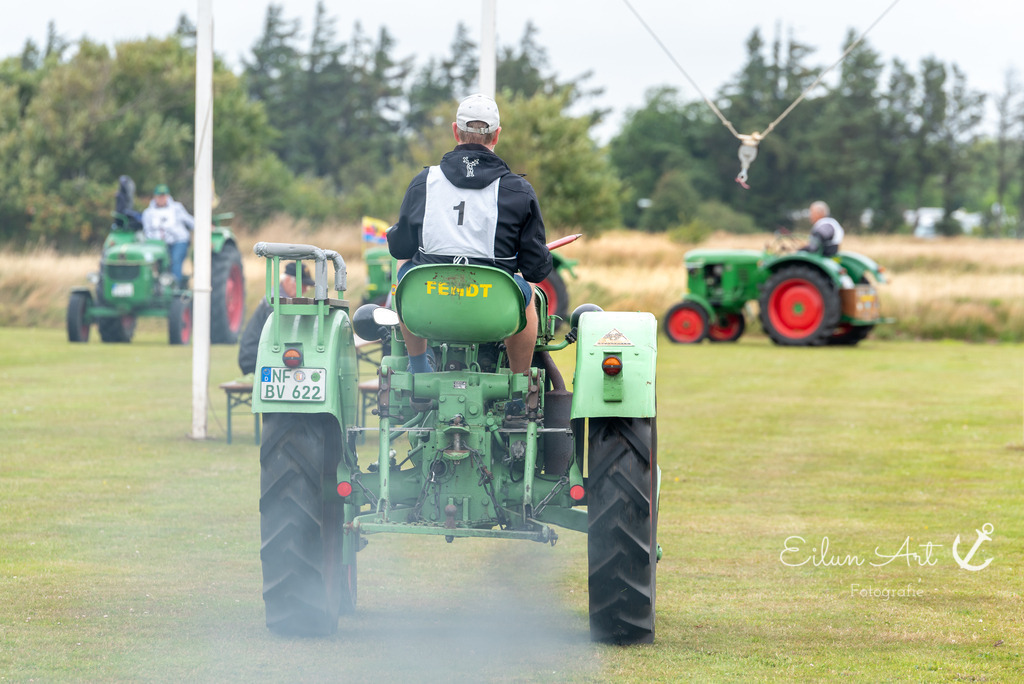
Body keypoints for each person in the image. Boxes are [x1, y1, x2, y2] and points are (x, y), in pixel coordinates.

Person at [387, 93, 552, 375]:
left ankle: (418, 367)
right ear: (496, 135)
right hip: (493, 312)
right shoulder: (518, 190)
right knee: (530, 291)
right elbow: (536, 269)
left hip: (429, 307)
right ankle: (518, 385)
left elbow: (400, 248)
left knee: (404, 268)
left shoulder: (424, 182)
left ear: (455, 131)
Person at [237, 263, 315, 375]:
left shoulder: (285, 298)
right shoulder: (274, 300)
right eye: (302, 285)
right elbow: (283, 333)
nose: (305, 290)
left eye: (306, 286)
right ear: (288, 280)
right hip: (254, 358)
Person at [142, 184, 195, 286]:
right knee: (157, 264)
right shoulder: (148, 212)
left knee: (175, 261)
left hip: (178, 241)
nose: (162, 199)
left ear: (167, 196)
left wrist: (204, 226)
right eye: (159, 196)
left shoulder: (177, 208)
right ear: (155, 197)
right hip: (158, 244)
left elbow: (189, 220)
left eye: (164, 196)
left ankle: (175, 287)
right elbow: (147, 231)